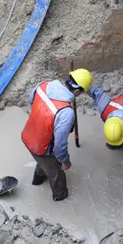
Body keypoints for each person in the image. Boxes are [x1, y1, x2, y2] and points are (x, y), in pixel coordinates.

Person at [20, 69, 93, 201]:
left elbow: (32, 102)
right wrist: (66, 161)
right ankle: (60, 197)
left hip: (28, 135)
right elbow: (59, 147)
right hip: (41, 147)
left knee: (42, 161)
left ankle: (37, 180)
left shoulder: (44, 85)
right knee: (57, 174)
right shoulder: (66, 113)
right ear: (77, 92)